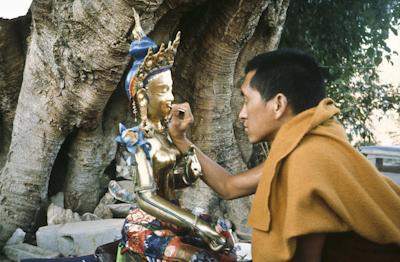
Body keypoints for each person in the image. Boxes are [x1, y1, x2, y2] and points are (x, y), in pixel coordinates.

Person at [168, 49, 400, 261]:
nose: (242, 114)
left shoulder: (308, 160)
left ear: (278, 104)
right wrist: (180, 139)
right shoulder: (304, 147)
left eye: (247, 100)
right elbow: (229, 186)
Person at [109, 9, 235, 261]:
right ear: (143, 97)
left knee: (224, 237)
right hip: (146, 223)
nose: (170, 98)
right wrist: (197, 225)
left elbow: (174, 182)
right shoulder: (137, 140)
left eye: (171, 89)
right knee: (197, 257)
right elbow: (146, 197)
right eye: (164, 91)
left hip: (173, 215)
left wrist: (189, 163)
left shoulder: (166, 134)